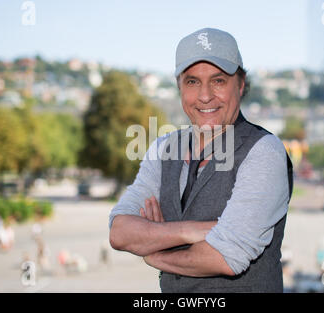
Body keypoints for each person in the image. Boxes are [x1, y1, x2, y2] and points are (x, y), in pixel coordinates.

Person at [109, 28, 293, 292]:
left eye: (218, 81)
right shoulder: (163, 148)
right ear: (179, 87)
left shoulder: (264, 152)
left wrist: (155, 252)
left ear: (240, 84)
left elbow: (226, 257)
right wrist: (189, 231)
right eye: (192, 81)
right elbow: (120, 232)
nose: (205, 96)